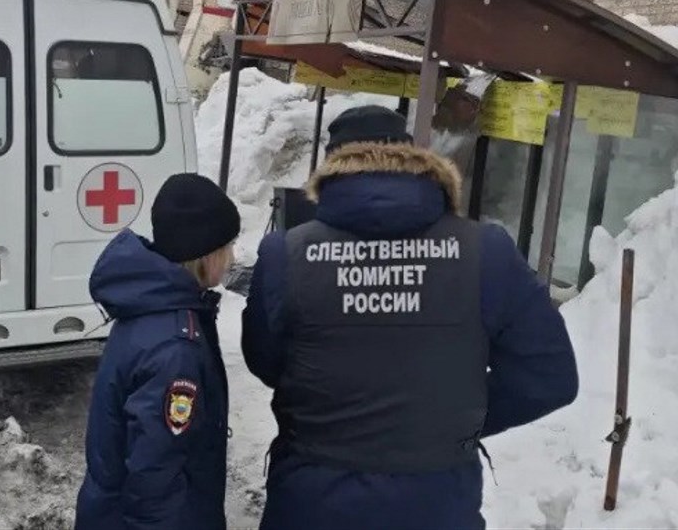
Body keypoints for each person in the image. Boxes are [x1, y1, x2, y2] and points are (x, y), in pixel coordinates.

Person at [242, 105, 579, 530]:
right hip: (436, 504)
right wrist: (450, 420)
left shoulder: (286, 254)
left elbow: (265, 360)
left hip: (313, 501)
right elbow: (550, 376)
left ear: (330, 168)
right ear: (412, 157)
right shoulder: (485, 252)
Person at [76, 173, 240, 530]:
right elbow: (155, 477)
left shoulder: (152, 306)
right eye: (228, 246)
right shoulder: (175, 348)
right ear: (205, 254)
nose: (233, 257)